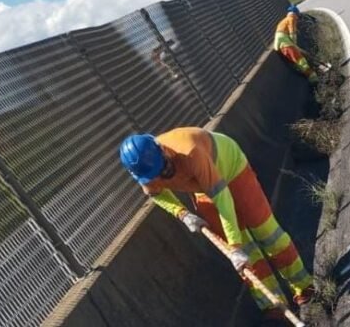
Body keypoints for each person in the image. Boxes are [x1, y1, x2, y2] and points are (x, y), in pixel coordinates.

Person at [118, 127, 314, 319]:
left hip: (231, 168)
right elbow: (157, 195)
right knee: (241, 255)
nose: (162, 175)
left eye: (163, 167)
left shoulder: (190, 152)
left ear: (162, 149)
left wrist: (235, 246)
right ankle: (274, 305)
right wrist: (182, 214)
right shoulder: (146, 172)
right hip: (202, 187)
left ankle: (304, 286)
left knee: (266, 231)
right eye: (155, 175)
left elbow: (223, 200)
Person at [273, 5, 320, 84]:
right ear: (295, 13)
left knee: (297, 61)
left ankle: (311, 76)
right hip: (286, 44)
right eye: (297, 15)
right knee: (301, 60)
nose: (297, 18)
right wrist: (294, 44)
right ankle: (314, 79)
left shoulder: (283, 21)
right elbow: (292, 32)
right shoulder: (291, 18)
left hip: (280, 45)